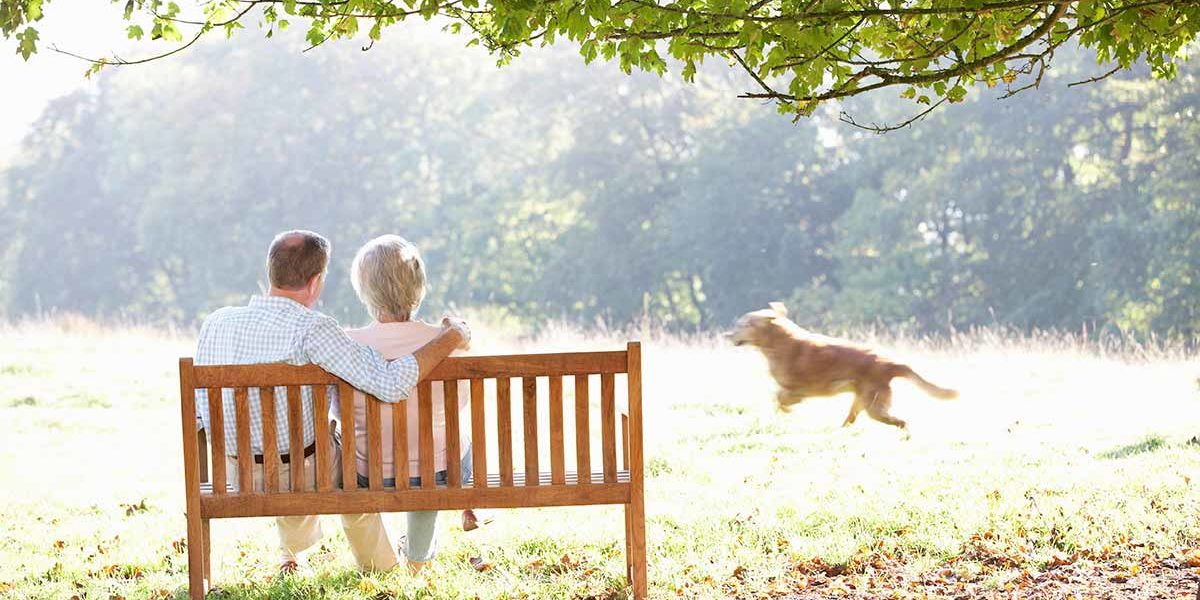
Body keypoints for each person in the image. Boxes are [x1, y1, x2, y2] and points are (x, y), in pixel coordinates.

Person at [193, 230, 470, 574]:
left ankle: (291, 554)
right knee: (344, 464)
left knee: (299, 443)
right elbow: (390, 384)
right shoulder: (314, 329)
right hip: (304, 472)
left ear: (271, 270)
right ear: (316, 282)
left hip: (236, 472)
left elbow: (200, 410)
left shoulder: (216, 323)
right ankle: (381, 568)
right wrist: (451, 337)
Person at [344, 234, 489, 574]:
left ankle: (381, 562)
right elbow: (459, 404)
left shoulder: (348, 344)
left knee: (418, 452)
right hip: (437, 472)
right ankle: (417, 559)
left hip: (369, 472)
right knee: (439, 450)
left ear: (365, 290)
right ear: (419, 286)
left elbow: (339, 410)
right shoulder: (447, 342)